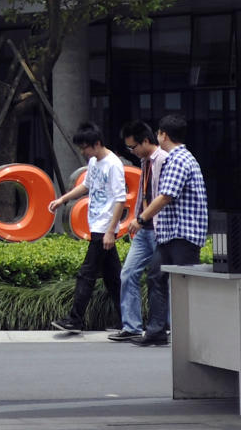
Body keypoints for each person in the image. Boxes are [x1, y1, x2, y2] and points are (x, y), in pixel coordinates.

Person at [128, 114, 208, 346]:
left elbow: (165, 196)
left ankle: (190, 336)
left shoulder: (178, 159)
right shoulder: (179, 158)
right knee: (156, 276)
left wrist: (141, 219)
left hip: (183, 234)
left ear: (163, 135)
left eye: (159, 133)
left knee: (182, 285)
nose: (157, 136)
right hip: (171, 234)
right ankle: (156, 331)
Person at [48, 122, 126, 332]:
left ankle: (75, 319)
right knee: (113, 278)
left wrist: (111, 231)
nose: (83, 152)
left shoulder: (113, 164)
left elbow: (121, 200)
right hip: (97, 225)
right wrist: (63, 199)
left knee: (87, 273)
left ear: (97, 143)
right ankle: (127, 320)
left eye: (85, 147)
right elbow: (87, 186)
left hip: (104, 227)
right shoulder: (94, 162)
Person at [108, 121, 167, 342]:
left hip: (160, 229)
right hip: (144, 229)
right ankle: (132, 326)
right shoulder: (145, 162)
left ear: (145, 141)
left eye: (133, 147)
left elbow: (163, 196)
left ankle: (165, 326)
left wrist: (141, 219)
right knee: (128, 273)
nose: (131, 152)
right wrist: (136, 218)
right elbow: (145, 194)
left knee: (160, 279)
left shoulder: (162, 159)